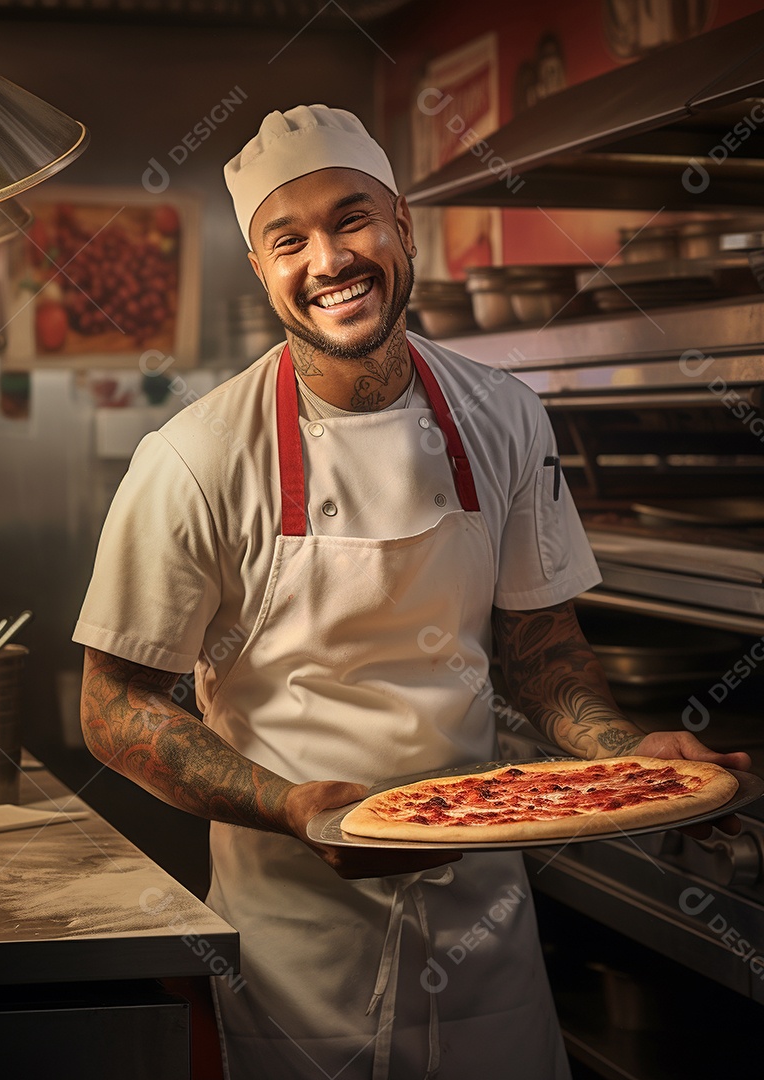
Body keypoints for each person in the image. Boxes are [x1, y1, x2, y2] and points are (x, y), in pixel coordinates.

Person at [74, 104, 750, 1080]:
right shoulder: (195, 459)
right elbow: (112, 707)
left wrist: (628, 754)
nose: (329, 260)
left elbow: (541, 657)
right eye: (288, 240)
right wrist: (292, 804)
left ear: (402, 225)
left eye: (352, 219)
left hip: (485, 918)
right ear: (262, 272)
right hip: (296, 933)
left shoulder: (505, 417)